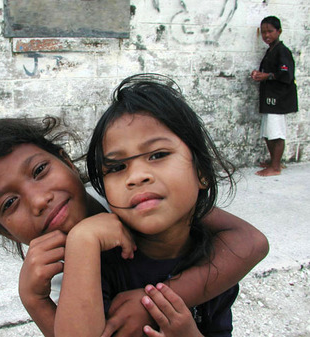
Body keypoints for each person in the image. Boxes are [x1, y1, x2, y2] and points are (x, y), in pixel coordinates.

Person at [0, 115, 268, 337]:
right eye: (10, 203)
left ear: (66, 160)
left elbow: (250, 241)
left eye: (39, 170)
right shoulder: (54, 268)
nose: (38, 200)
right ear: (2, 230)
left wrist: (154, 302)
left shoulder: (125, 193)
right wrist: (36, 302)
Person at [55, 73, 257, 336]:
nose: (137, 176)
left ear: (203, 173)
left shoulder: (215, 261)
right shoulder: (100, 265)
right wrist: (82, 239)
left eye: (158, 154)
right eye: (117, 167)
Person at [251, 15, 298, 177]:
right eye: (263, 32)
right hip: (270, 97)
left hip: (279, 98)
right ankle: (274, 161)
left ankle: (276, 167)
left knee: (276, 133)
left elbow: (286, 75)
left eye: (270, 31)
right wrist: (259, 74)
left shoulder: (282, 51)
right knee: (268, 132)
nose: (266, 35)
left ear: (279, 31)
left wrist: (267, 76)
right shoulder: (271, 50)